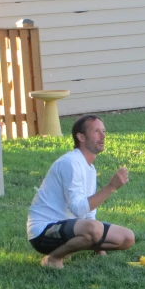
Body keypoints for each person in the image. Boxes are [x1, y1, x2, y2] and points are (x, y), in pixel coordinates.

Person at [27, 114, 135, 268]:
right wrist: (110, 187)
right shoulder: (70, 163)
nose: (103, 136)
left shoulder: (90, 169)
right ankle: (53, 258)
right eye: (96, 131)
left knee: (127, 238)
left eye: (104, 131)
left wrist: (99, 248)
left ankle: (73, 246)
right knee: (94, 228)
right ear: (81, 137)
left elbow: (89, 214)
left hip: (70, 227)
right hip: (44, 231)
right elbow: (78, 209)